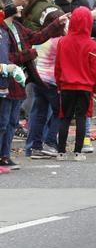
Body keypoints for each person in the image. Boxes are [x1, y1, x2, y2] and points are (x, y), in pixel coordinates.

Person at [1, 9, 69, 169]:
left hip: (21, 81)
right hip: (7, 82)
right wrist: (29, 54)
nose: (22, 7)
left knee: (13, 122)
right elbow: (7, 58)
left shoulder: (17, 26)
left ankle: (6, 156)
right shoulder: (3, 31)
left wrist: (57, 22)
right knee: (3, 123)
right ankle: (45, 144)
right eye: (18, 5)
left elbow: (38, 37)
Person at [54, 8, 96, 160]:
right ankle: (78, 152)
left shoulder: (63, 42)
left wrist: (59, 84)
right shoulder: (92, 45)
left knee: (65, 118)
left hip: (67, 85)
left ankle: (61, 151)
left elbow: (58, 66)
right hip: (85, 87)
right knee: (81, 118)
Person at [25, 10, 64, 159]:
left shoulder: (40, 39)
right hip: (53, 82)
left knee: (39, 114)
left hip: (37, 79)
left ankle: (35, 147)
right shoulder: (60, 41)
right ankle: (50, 143)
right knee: (60, 112)